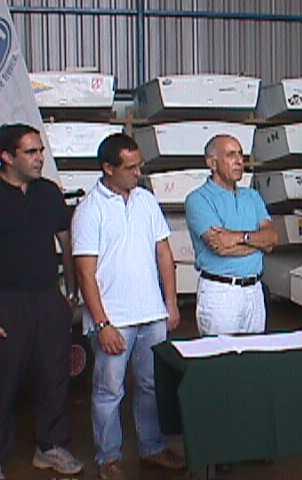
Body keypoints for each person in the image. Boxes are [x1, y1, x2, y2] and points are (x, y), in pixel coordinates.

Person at [72, 133, 184, 479]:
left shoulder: (146, 201)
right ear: (108, 168)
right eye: (131, 167)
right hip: (114, 320)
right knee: (109, 392)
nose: (138, 173)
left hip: (152, 314)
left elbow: (163, 253)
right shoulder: (90, 210)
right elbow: (85, 272)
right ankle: (109, 458)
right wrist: (103, 324)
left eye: (140, 166)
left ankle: (152, 449)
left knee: (151, 386)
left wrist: (171, 302)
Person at [0, 124, 83, 479]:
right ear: (6, 157)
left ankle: (49, 447)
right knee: (5, 380)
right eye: (31, 152)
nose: (39, 158)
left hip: (48, 296)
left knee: (54, 375)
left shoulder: (48, 192)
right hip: (7, 300)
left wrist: (71, 291)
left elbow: (66, 240)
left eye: (41, 151)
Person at [185, 134, 278, 336]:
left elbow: (272, 240)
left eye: (241, 155)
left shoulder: (252, 196)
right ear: (212, 163)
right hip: (221, 293)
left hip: (254, 292)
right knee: (220, 361)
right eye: (230, 155)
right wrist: (257, 243)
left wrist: (239, 237)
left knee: (254, 359)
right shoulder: (198, 199)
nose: (239, 161)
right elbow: (220, 247)